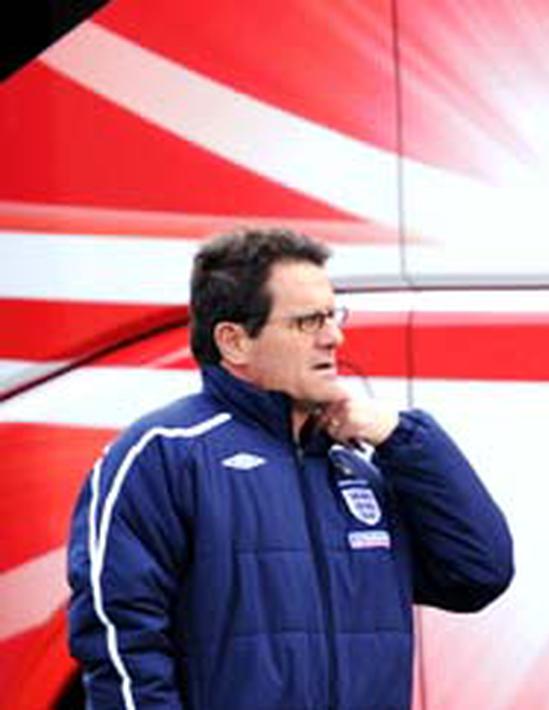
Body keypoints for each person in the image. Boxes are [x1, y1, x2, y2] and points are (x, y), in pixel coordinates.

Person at [66, 228, 514, 708]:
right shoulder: (163, 454)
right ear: (234, 341)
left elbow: (477, 572)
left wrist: (401, 436)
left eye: (333, 315)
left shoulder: (356, 463)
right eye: (308, 322)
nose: (334, 337)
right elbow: (120, 642)